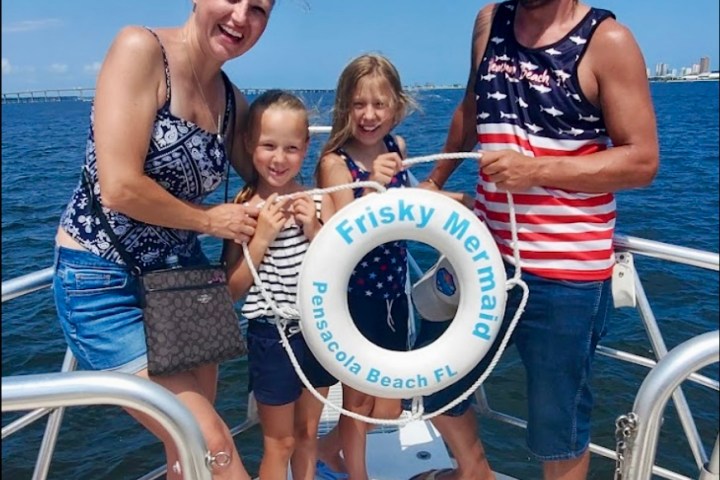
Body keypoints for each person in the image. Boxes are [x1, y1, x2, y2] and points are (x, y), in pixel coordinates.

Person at [412, 1, 659, 479]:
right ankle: (474, 472)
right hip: (481, 252)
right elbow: (471, 105)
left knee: (557, 424)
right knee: (430, 374)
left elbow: (642, 160)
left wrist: (537, 170)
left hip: (566, 274)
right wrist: (436, 180)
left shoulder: (608, 42)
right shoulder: (490, 21)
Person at [52, 1, 276, 479]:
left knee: (186, 453)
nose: (241, 16)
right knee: (206, 439)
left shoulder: (233, 100)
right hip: (105, 283)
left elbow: (269, 175)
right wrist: (212, 221)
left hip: (183, 285)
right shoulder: (141, 49)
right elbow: (119, 186)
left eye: (258, 8)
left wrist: (357, 182)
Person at [223, 90, 336, 480]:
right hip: (272, 337)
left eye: (291, 148)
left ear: (306, 149)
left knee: (308, 434)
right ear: (249, 145)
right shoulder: (242, 211)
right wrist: (261, 238)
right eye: (268, 145)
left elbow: (336, 268)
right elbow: (231, 291)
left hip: (318, 331)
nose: (279, 158)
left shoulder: (318, 202)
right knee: (280, 442)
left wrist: (313, 228)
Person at [314, 53, 417, 480]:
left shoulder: (398, 147)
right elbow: (345, 236)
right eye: (359, 104)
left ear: (396, 107)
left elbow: (409, 206)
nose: (369, 115)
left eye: (379, 104)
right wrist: (372, 182)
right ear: (345, 107)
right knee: (357, 402)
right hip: (356, 298)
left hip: (395, 291)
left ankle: (324, 448)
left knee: (388, 402)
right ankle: (358, 476)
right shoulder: (335, 163)